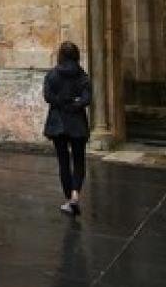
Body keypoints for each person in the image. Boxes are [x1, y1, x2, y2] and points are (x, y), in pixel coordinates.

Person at [42, 41, 92, 215]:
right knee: (79, 160)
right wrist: (74, 104)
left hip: (58, 122)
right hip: (77, 122)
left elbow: (48, 96)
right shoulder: (82, 75)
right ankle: (75, 194)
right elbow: (87, 98)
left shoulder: (53, 75)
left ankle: (69, 199)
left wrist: (61, 103)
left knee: (63, 162)